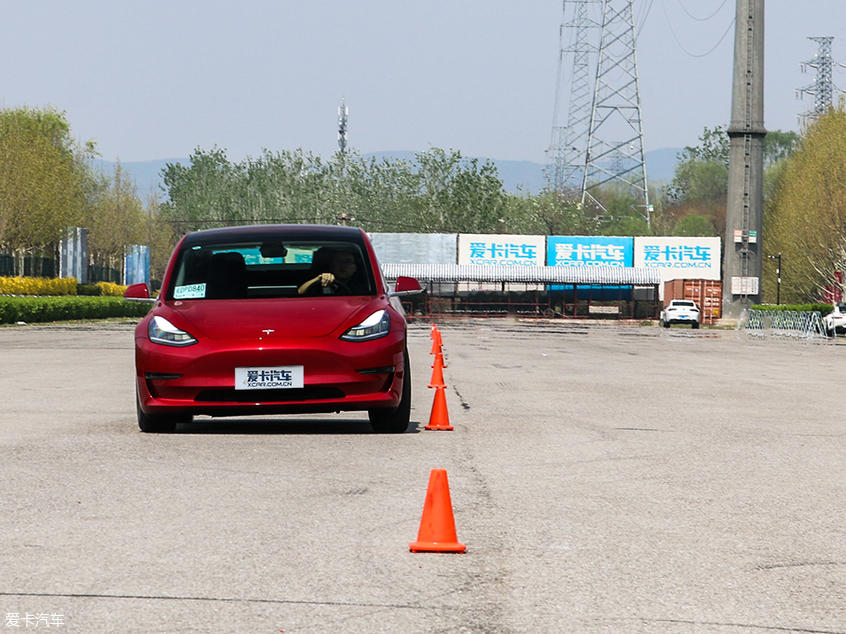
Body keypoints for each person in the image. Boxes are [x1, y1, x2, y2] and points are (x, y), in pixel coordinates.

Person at [298, 247, 363, 295]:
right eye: (338, 261)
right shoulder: (319, 282)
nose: (343, 265)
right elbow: (300, 292)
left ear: (355, 268)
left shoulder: (364, 287)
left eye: (348, 262)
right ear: (331, 266)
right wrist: (319, 279)